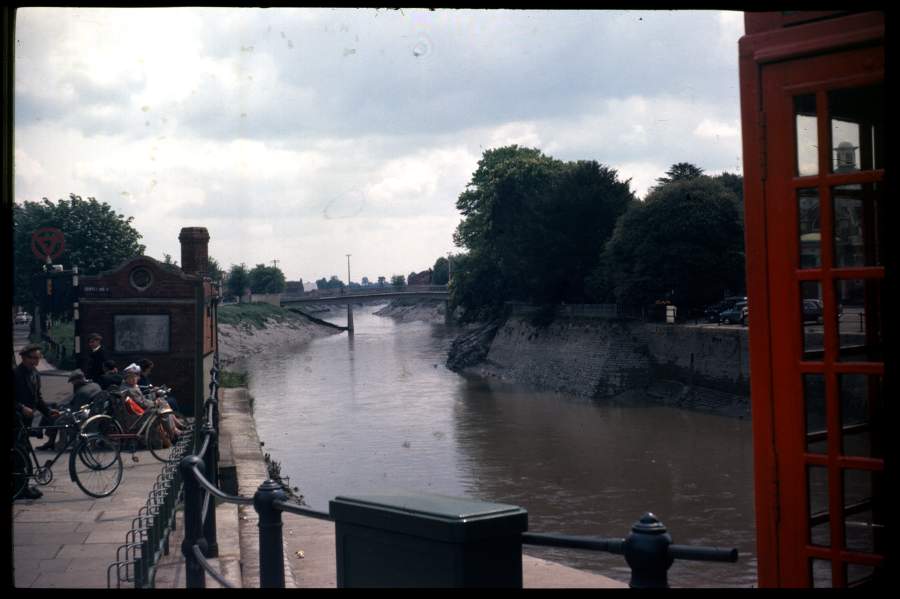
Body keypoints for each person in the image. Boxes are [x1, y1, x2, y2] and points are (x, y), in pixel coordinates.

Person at [13, 344, 60, 498]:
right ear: (24, 358)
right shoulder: (16, 374)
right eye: (32, 358)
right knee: (21, 454)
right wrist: (21, 408)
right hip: (16, 419)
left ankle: (21, 487)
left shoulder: (35, 374)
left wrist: (48, 411)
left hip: (26, 421)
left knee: (23, 452)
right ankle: (21, 489)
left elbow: (37, 398)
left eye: (38, 358)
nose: (35, 361)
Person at [120, 364, 184, 444]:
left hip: (137, 412)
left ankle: (175, 429)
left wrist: (155, 398)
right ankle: (174, 431)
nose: (137, 378)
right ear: (128, 378)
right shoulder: (129, 389)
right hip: (137, 417)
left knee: (162, 402)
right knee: (162, 409)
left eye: (136, 377)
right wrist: (154, 402)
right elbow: (142, 403)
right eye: (134, 377)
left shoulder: (128, 386)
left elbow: (141, 399)